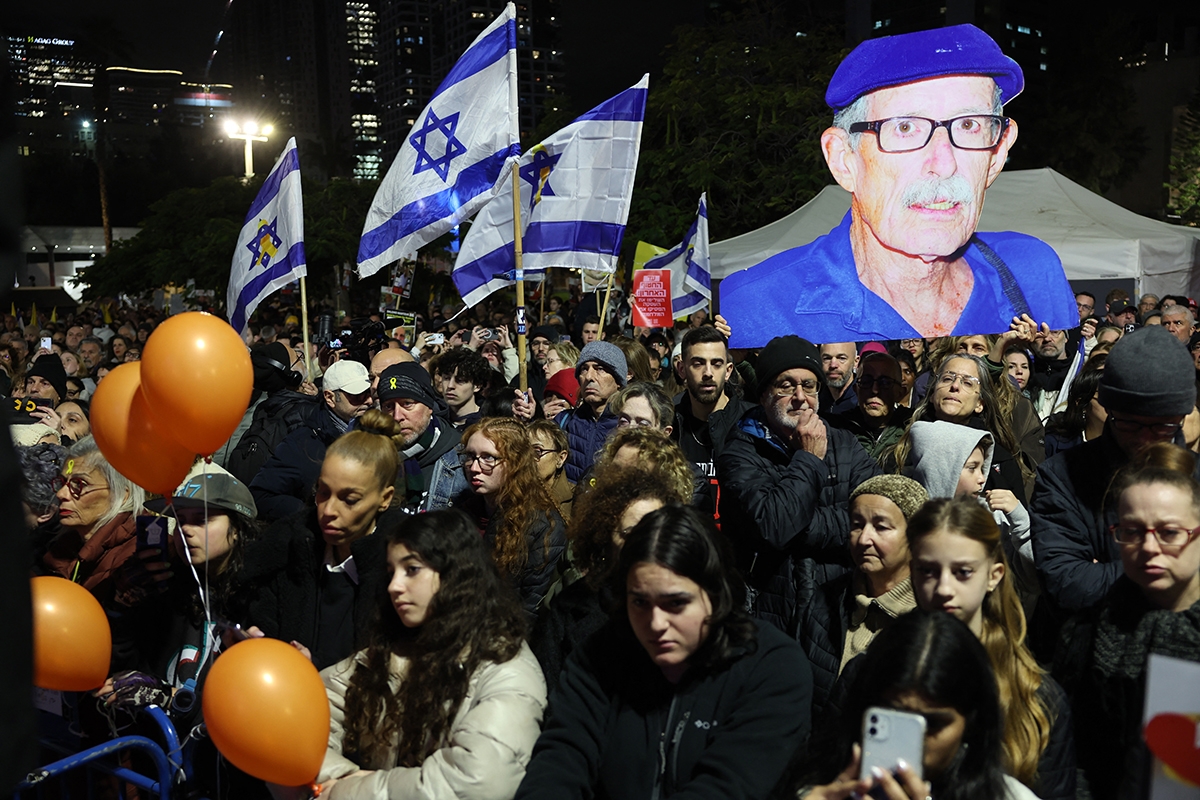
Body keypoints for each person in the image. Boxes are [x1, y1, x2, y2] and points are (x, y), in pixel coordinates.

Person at [720, 24, 1076, 346]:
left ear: (997, 154)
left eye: (969, 125)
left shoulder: (1034, 275)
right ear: (844, 159)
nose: (944, 164)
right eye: (905, 128)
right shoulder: (756, 308)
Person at [515, 505, 813, 800]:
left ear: (715, 595)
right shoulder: (600, 655)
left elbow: (727, 788)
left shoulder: (773, 666)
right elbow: (559, 764)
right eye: (640, 603)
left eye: (675, 603)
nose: (656, 624)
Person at [272, 511, 547, 800]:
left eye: (412, 569)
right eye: (391, 572)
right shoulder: (389, 652)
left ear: (456, 573)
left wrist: (350, 791)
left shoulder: (506, 667)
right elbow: (306, 721)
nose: (394, 586)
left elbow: (477, 781)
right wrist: (343, 779)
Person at [1052, 448, 1200, 800]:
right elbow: (1078, 755)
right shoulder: (1090, 631)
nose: (1149, 547)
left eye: (1169, 532)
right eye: (1132, 531)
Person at [907, 498, 1075, 800]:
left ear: (994, 575)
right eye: (928, 571)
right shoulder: (874, 672)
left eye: (963, 572)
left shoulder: (1036, 697)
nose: (944, 588)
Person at [718, 335, 880, 633]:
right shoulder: (740, 451)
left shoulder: (843, 442)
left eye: (809, 385)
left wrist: (802, 524)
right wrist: (809, 459)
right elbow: (775, 526)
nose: (800, 397)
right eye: (786, 385)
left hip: (839, 607)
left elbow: (878, 514)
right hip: (771, 616)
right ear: (765, 393)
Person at [1031, 325, 1200, 613]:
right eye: (1130, 424)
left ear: (1183, 417)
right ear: (1109, 410)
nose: (1145, 439)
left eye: (1162, 426)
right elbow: (1068, 583)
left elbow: (1088, 579)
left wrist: (1110, 570)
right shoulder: (1062, 477)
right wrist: (1182, 570)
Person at [795, 610, 1039, 800]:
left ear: (971, 722)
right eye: (890, 715)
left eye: (931, 723)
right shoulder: (817, 790)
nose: (913, 740)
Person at [240, 422, 398, 670]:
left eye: (350, 499)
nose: (329, 511)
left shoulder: (405, 569)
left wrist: (315, 668)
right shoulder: (286, 547)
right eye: (323, 493)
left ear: (385, 499)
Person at [530, 467, 693, 690]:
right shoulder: (570, 607)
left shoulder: (696, 606)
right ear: (606, 536)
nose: (644, 542)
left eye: (654, 529)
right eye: (629, 533)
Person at [797, 474, 928, 717]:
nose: (864, 539)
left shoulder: (930, 617)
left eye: (881, 526)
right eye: (857, 524)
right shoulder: (826, 601)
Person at [456, 418, 567, 620]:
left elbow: (530, 611)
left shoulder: (543, 527)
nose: (474, 467)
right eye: (470, 456)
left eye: (488, 458)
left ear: (516, 463)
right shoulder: (462, 512)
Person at [890, 353, 1030, 504]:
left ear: (979, 404)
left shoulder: (1001, 461)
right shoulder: (902, 450)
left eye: (968, 383)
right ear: (932, 394)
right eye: (947, 378)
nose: (955, 386)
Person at [250, 359, 374, 521]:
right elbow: (261, 495)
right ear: (330, 397)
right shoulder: (301, 443)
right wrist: (313, 513)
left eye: (369, 393)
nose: (368, 401)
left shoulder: (378, 431)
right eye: (357, 396)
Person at [36, 436, 147, 606]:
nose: (61, 494)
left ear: (123, 496)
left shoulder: (142, 554)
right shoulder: (54, 543)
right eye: (63, 483)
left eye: (79, 484)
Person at [375, 362, 466, 512]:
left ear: (429, 406)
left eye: (407, 404)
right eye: (389, 406)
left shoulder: (461, 459)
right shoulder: (371, 456)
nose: (397, 416)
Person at [556, 341, 627, 482]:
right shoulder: (564, 422)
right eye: (584, 369)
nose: (589, 377)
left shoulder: (628, 426)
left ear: (618, 380)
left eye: (599, 369)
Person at [830, 350, 912, 467]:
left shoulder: (911, 430)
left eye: (885, 383)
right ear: (856, 389)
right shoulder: (838, 430)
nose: (875, 390)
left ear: (900, 392)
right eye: (866, 381)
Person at [526, 419, 572, 521]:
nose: (529, 458)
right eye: (525, 451)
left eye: (537, 451)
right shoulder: (515, 494)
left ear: (560, 458)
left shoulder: (576, 500)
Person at [433, 346, 491, 429]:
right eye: (446, 378)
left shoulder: (488, 426)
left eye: (460, 380)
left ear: (477, 386)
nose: (450, 386)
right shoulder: (434, 423)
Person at [819, 342, 858, 416]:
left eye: (842, 358)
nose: (833, 365)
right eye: (827, 358)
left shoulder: (863, 400)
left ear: (855, 362)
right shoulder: (815, 397)